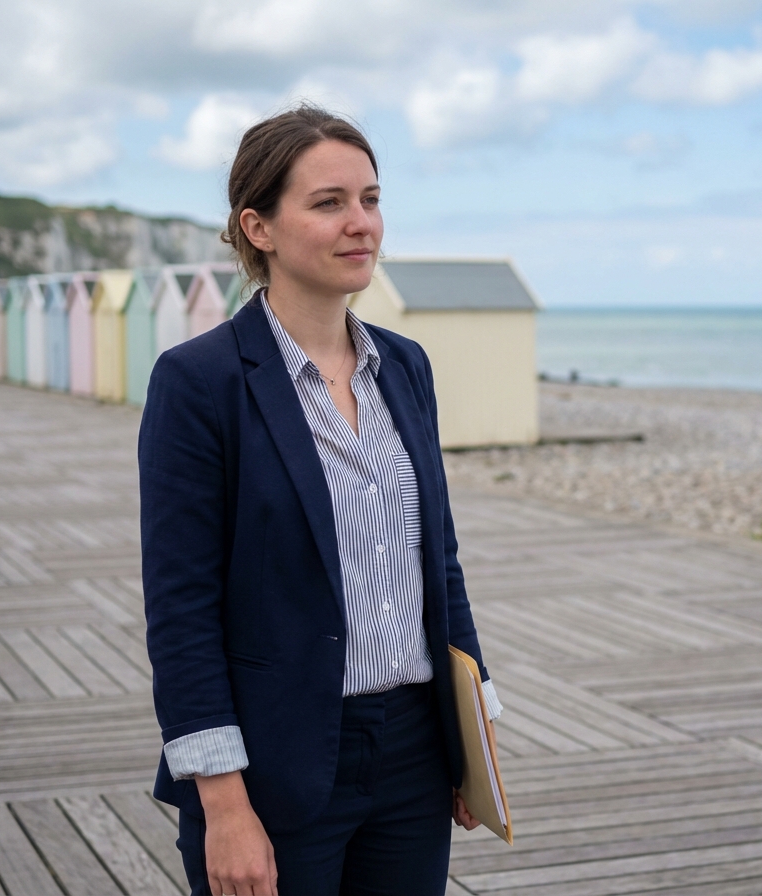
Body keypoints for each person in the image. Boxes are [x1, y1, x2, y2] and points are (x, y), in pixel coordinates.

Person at [139, 104, 502, 896]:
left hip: (414, 754)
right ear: (258, 227)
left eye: (370, 199)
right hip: (274, 762)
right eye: (328, 202)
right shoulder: (198, 383)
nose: (360, 223)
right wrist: (224, 805)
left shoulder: (404, 366)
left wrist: (470, 730)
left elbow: (436, 557)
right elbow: (182, 610)